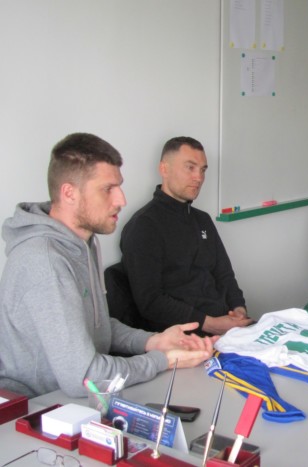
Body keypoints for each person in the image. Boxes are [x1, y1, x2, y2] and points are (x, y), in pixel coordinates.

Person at [0, 133, 215, 399]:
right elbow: (84, 377)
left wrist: (152, 341)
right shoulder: (44, 260)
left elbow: (96, 325)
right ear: (69, 193)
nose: (121, 200)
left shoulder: (83, 242)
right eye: (107, 189)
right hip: (36, 407)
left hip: (77, 399)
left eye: (119, 187)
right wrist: (164, 360)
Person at [120, 136, 252, 336]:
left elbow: (224, 274)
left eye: (203, 170)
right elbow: (150, 302)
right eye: (190, 168)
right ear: (164, 169)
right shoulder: (144, 226)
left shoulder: (203, 220)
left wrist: (239, 309)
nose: (198, 178)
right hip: (185, 335)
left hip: (226, 324)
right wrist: (210, 324)